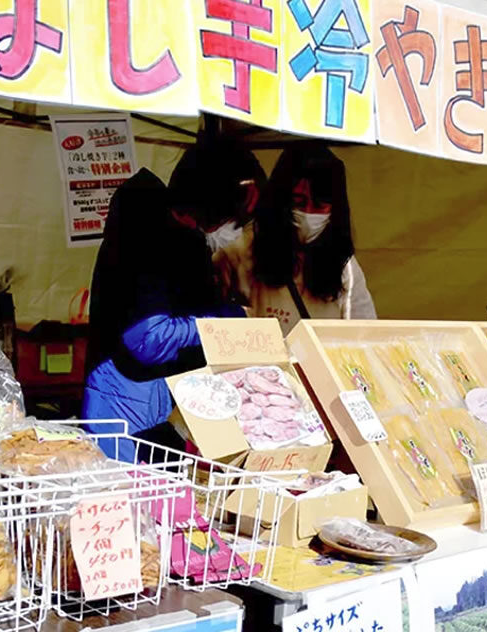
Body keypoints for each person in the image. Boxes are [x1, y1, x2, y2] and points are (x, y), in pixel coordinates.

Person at [83, 139, 258, 462]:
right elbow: (147, 339)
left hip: (157, 399)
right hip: (126, 402)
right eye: (234, 219)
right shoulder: (146, 230)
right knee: (127, 499)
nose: (236, 230)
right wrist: (226, 322)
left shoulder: (179, 237)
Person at [212, 144, 375, 334]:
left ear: (336, 209)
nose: (308, 214)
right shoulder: (238, 255)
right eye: (299, 202)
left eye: (320, 205)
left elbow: (362, 335)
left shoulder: (344, 267)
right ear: (280, 200)